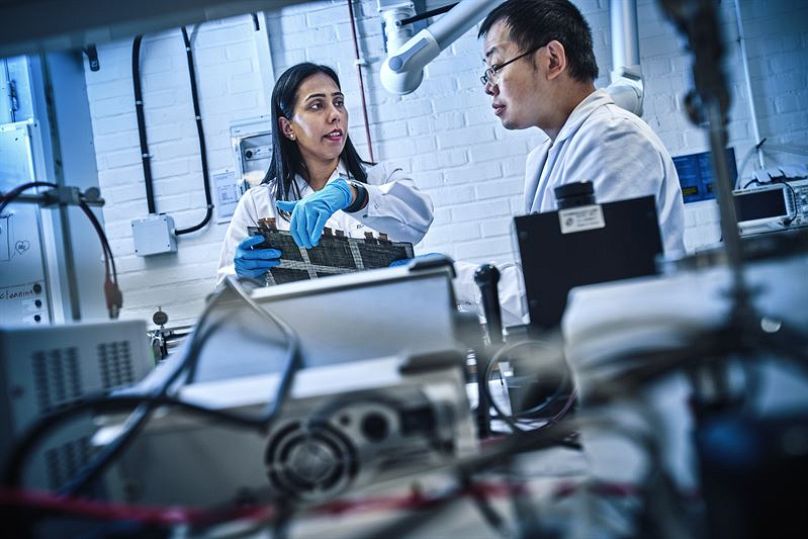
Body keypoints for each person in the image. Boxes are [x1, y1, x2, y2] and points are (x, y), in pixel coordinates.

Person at [453, 0, 686, 326]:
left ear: (552, 60)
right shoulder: (547, 156)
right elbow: (544, 277)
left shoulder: (613, 138)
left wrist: (458, 281)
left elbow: (580, 286)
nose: (489, 86)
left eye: (497, 66)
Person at [217, 63, 434, 284]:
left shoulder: (380, 178)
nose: (334, 114)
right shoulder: (258, 203)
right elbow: (225, 297)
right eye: (316, 105)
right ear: (288, 128)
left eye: (338, 102)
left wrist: (354, 195)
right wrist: (242, 277)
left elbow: (420, 220)